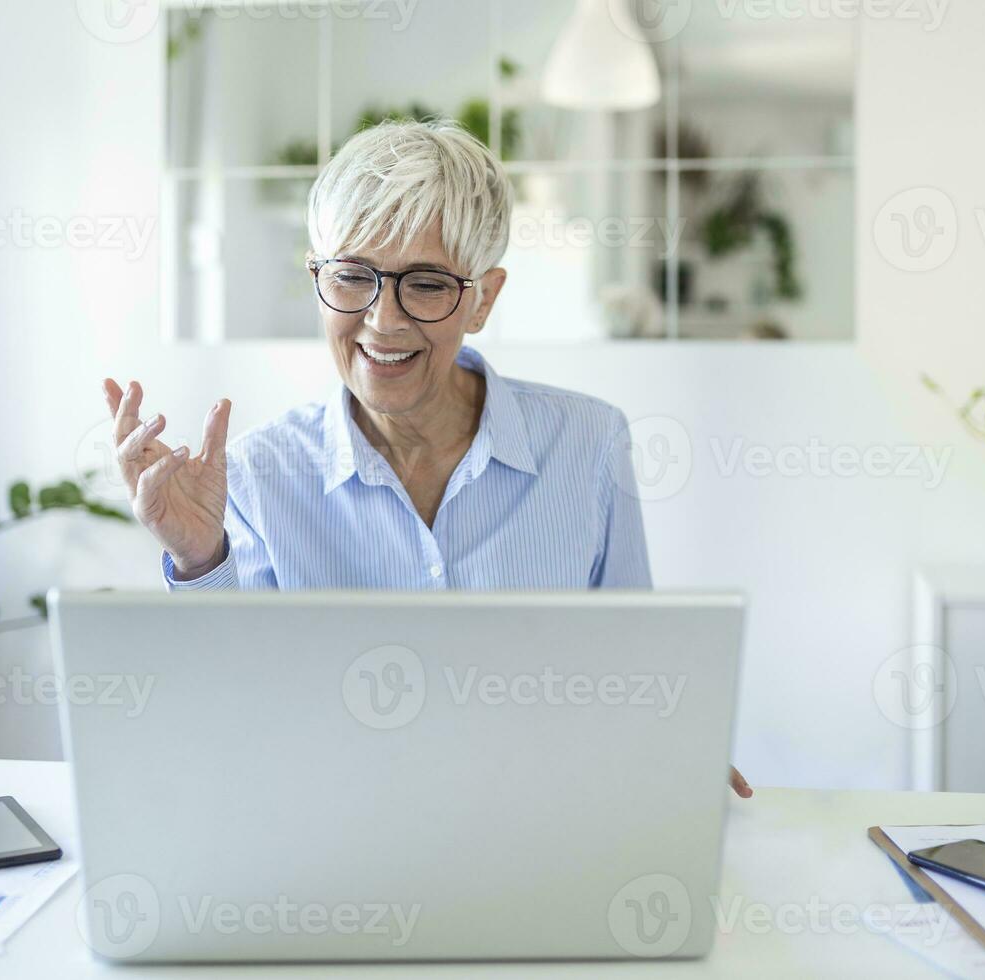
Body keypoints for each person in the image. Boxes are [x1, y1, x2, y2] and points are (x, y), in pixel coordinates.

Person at [102, 119, 751, 798]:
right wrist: (200, 559)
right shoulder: (256, 477)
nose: (383, 321)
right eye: (353, 276)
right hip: (337, 840)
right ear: (319, 278)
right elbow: (233, 722)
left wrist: (673, 742)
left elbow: (632, 671)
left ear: (483, 299)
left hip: (541, 823)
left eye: (428, 284)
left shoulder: (589, 446)